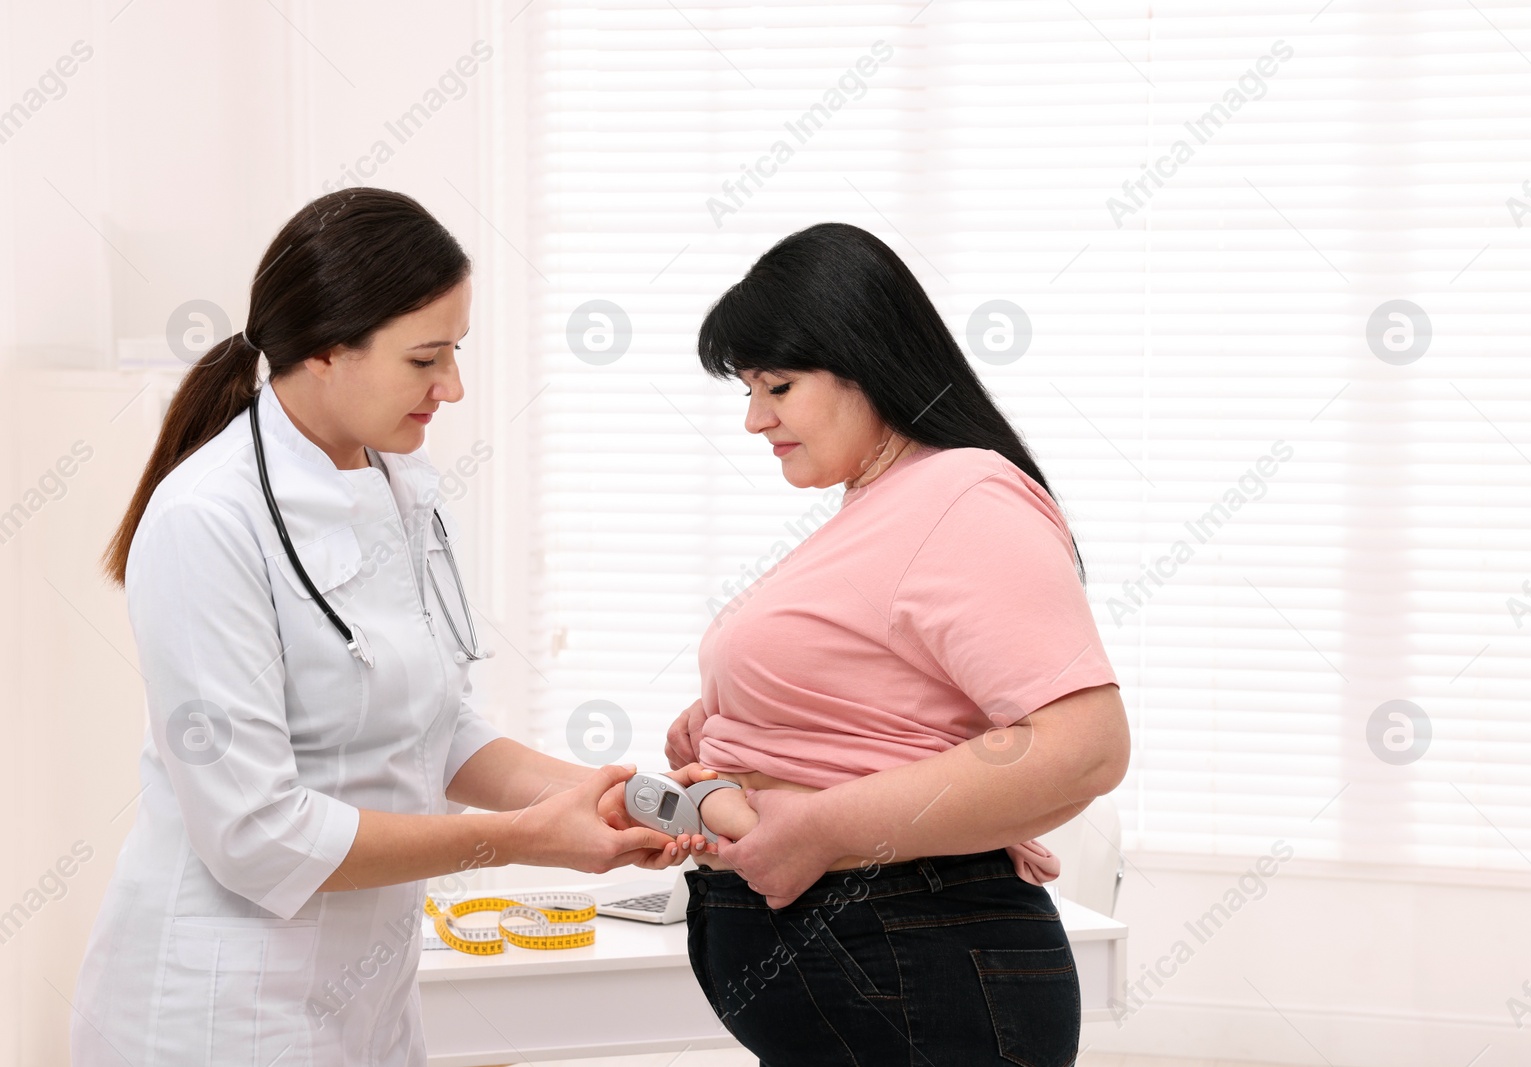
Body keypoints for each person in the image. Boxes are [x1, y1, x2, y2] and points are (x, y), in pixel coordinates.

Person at [73, 188, 712, 1067]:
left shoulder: (403, 486)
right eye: (426, 359)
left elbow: (436, 727)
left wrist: (602, 795)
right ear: (328, 350)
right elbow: (256, 834)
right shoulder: (206, 521)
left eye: (455, 352)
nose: (452, 387)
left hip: (365, 994)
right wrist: (525, 840)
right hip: (222, 1004)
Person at [663, 222, 1130, 1065]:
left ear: (865, 357)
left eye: (778, 385)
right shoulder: (888, 506)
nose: (754, 419)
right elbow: (904, 708)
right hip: (885, 955)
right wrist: (735, 723)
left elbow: (1084, 748)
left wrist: (816, 827)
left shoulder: (963, 494)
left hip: (916, 950)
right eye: (747, 391)